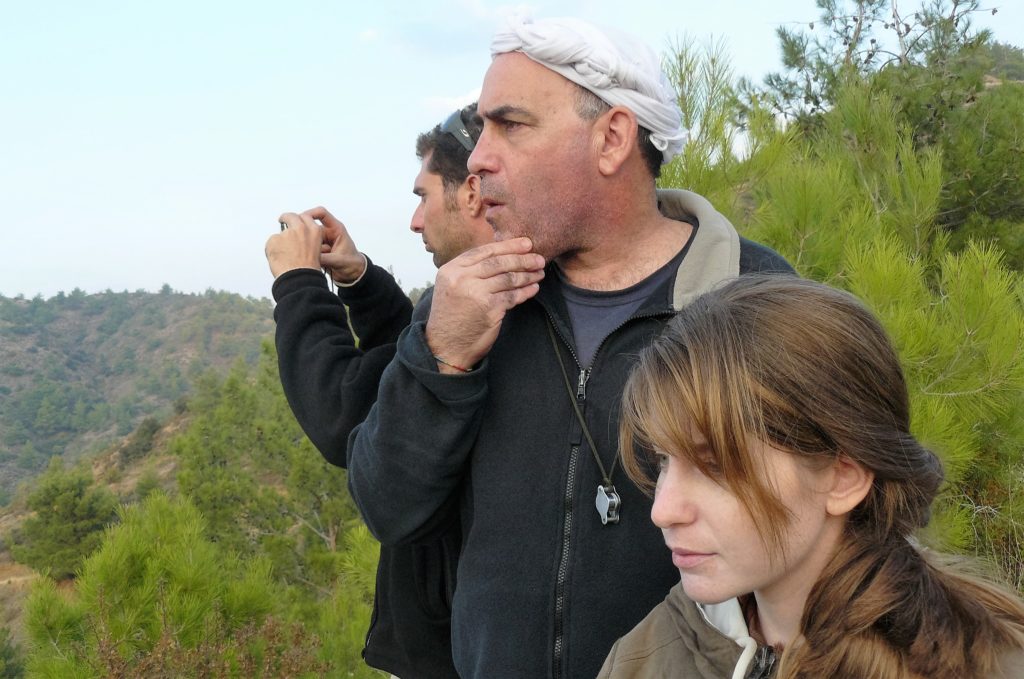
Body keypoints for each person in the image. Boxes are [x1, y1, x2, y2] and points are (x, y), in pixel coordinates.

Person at [345, 16, 794, 679]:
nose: (477, 158)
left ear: (611, 138)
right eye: (483, 127)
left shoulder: (758, 302)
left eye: (511, 125)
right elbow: (389, 506)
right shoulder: (466, 301)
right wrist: (444, 357)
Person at [601, 275, 1024, 679]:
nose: (663, 510)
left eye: (716, 466)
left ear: (843, 479)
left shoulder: (988, 665)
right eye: (662, 460)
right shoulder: (643, 658)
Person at [264, 103, 492, 679]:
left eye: (423, 196)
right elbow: (407, 363)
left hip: (447, 655)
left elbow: (345, 413)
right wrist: (357, 277)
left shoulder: (490, 315)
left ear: (471, 191)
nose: (415, 221)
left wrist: (297, 286)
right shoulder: (499, 293)